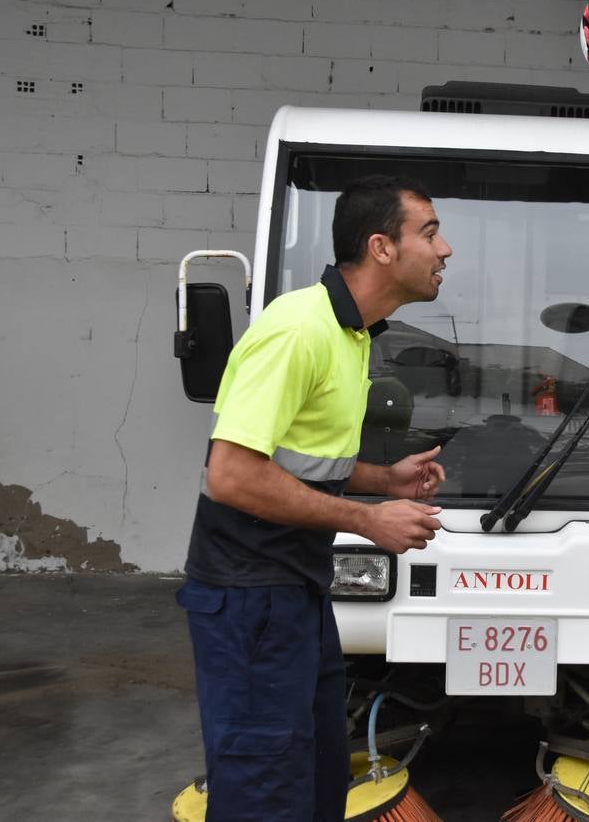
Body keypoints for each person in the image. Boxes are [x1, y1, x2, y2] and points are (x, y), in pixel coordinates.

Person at [177, 175, 454, 822]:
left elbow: (294, 460)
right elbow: (234, 476)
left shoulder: (351, 333)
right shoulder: (298, 330)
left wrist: (386, 481)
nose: (446, 251)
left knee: (318, 781)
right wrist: (369, 520)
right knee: (264, 793)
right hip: (249, 602)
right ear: (382, 247)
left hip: (295, 593)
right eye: (431, 233)